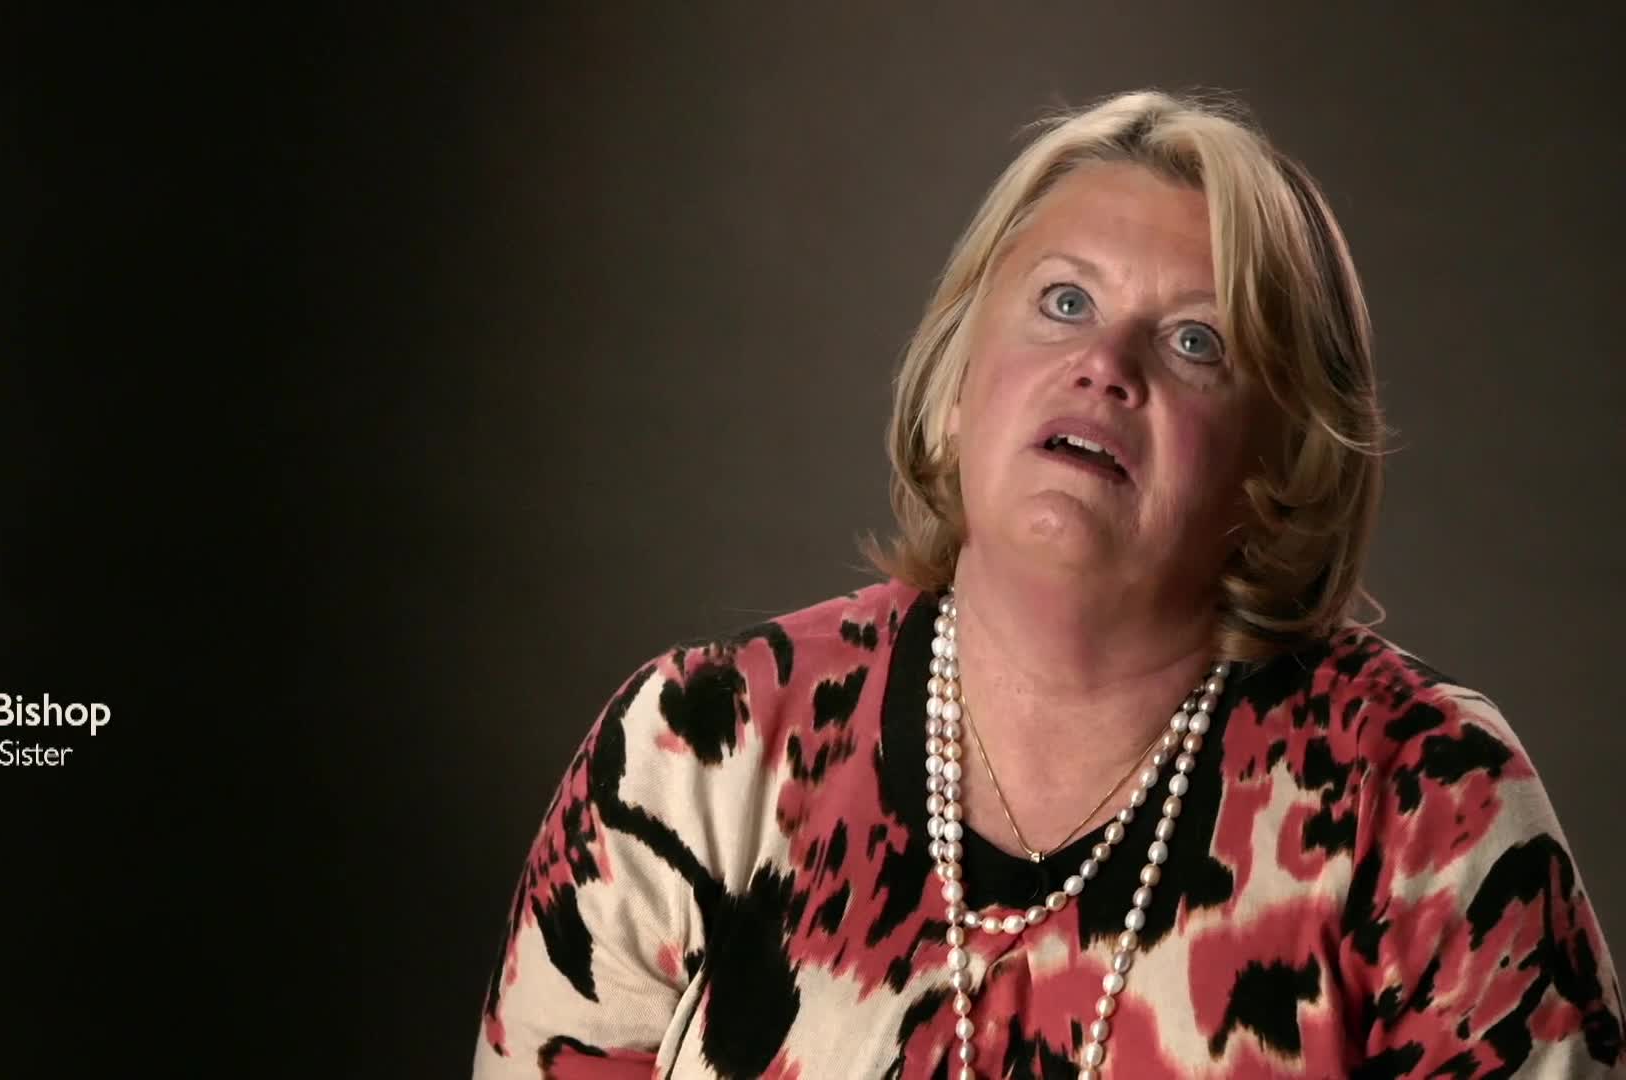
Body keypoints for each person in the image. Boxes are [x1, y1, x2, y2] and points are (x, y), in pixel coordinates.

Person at [471, 90, 1623, 1078]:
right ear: (959, 377)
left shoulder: (1427, 806)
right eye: (1065, 302)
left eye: (1196, 342)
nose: (1104, 365)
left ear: (1284, 464)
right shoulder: (696, 751)